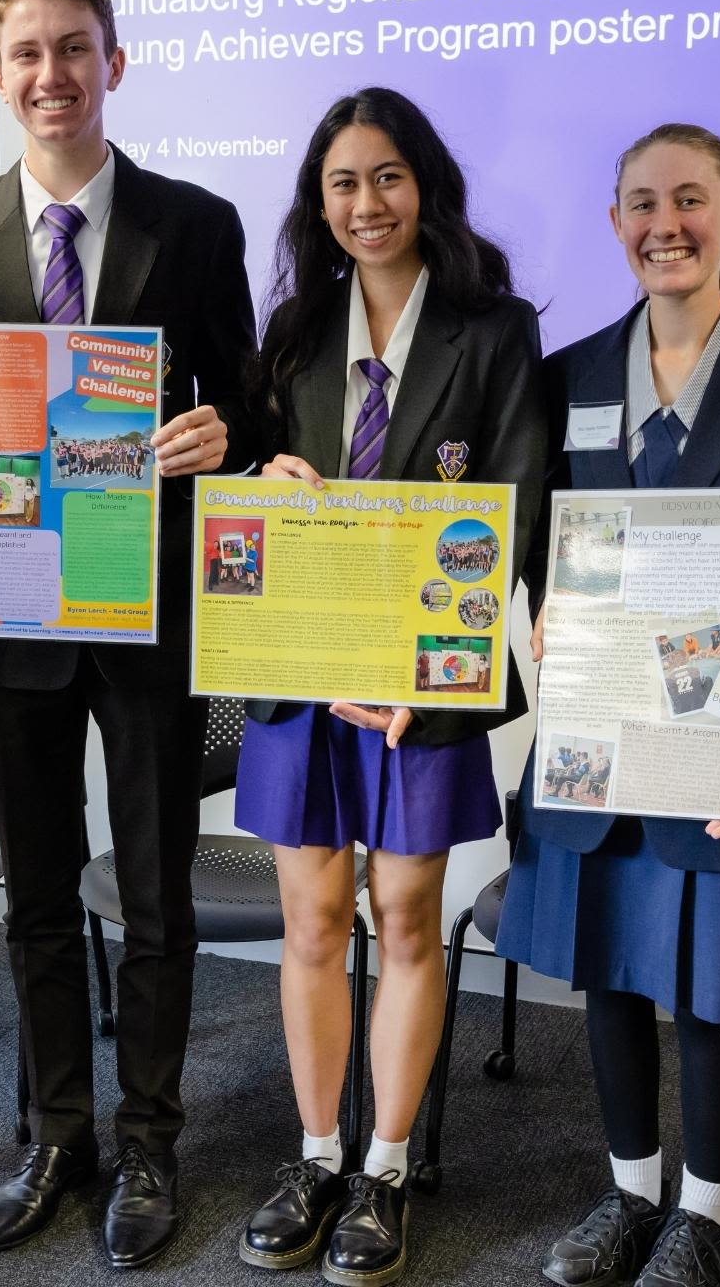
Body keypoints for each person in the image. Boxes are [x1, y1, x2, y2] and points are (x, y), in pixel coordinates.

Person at [0, 0, 256, 1269]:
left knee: (153, 894)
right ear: (0, 74)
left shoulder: (198, 222)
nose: (52, 74)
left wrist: (225, 429)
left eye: (74, 48)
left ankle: (150, 1141)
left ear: (116, 59)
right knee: (38, 894)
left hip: (148, 602)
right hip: (6, 615)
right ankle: (57, 1137)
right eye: (27, 53)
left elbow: (252, 405)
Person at [491, 124, 720, 1287]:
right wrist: (545, 609)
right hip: (600, 729)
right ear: (615, 225)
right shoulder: (568, 378)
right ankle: (627, 1195)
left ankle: (702, 1215)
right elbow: (550, 544)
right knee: (607, 969)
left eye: (691, 200)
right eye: (643, 204)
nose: (667, 224)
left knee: (709, 987)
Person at [232, 86, 547, 1286]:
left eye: (388, 178)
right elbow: (248, 515)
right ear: (319, 205)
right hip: (302, 683)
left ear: (426, 188)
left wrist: (432, 680)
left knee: (403, 920)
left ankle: (387, 1166)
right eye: (342, 185)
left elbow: (507, 521)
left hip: (422, 691)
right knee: (312, 922)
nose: (367, 205)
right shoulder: (292, 339)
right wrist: (271, 483)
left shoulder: (494, 331)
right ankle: (316, 1153)